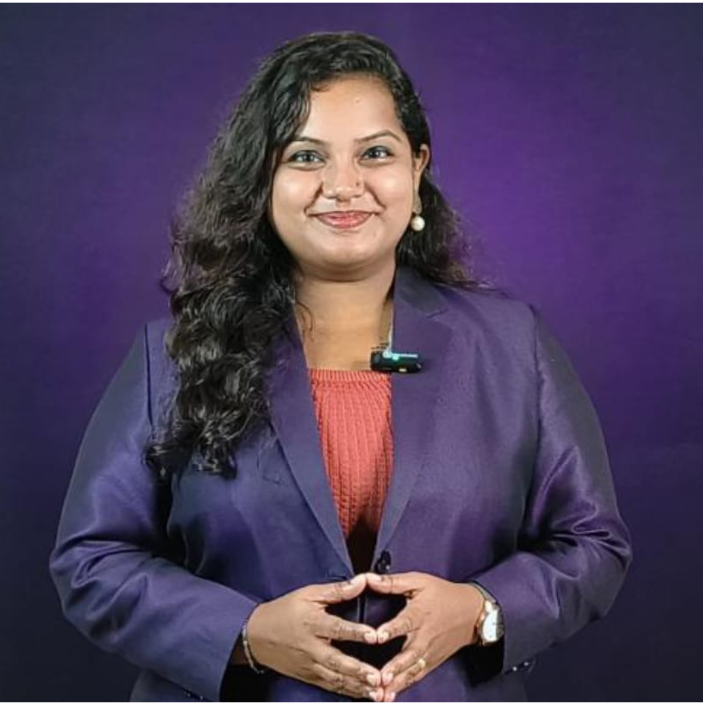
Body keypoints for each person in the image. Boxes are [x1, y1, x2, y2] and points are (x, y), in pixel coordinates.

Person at [49, 31, 632, 703]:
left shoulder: (512, 344)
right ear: (262, 179)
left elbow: (591, 543)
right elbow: (92, 560)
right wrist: (245, 632)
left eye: (375, 153)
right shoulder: (172, 355)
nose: (344, 186)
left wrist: (480, 610)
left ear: (417, 168)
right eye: (306, 156)